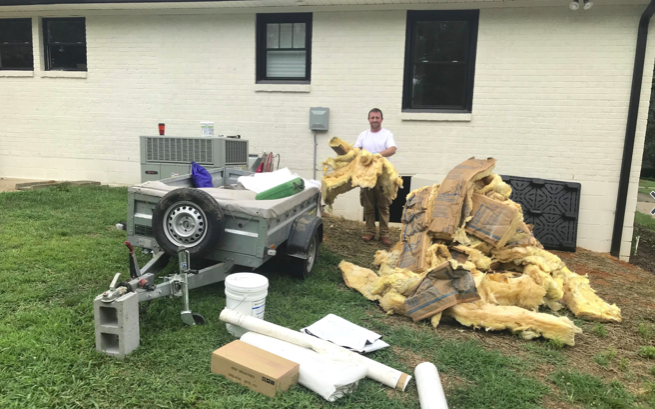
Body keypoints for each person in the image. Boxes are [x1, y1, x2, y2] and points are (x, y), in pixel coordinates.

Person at [353, 108, 397, 246]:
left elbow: (392, 149)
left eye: (377, 118)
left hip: (383, 176)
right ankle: (369, 232)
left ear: (381, 119)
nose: (375, 120)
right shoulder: (363, 135)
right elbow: (356, 150)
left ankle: (384, 234)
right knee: (369, 206)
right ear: (368, 120)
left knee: (383, 206)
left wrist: (376, 155)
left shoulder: (387, 134)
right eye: (372, 118)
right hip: (366, 175)